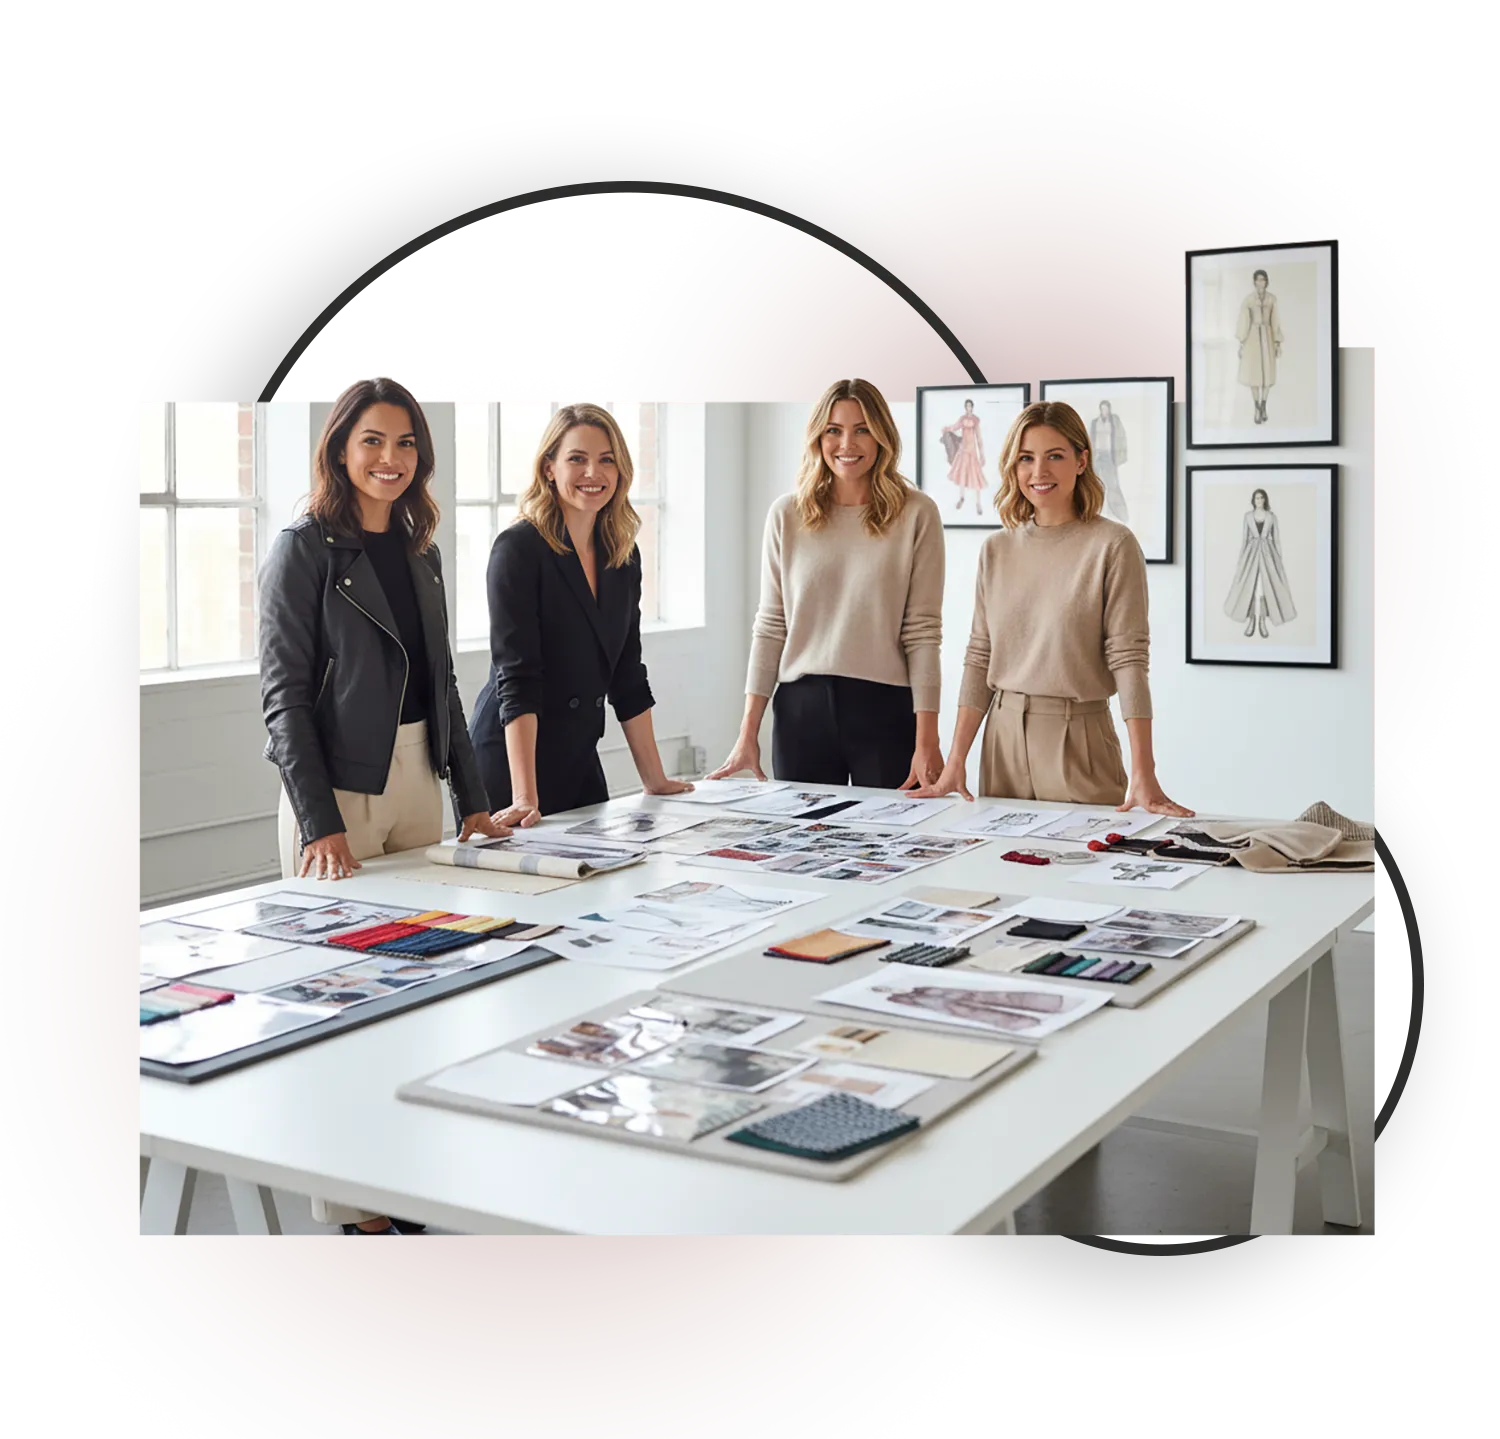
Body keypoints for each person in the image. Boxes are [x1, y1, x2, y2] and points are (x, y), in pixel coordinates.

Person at [259, 377, 504, 1235]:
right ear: (339, 448)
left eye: (405, 445)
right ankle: (355, 1212)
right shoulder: (303, 550)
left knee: (419, 991)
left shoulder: (422, 548)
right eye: (373, 442)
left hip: (415, 785)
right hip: (337, 790)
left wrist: (473, 801)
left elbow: (442, 682)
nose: (390, 460)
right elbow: (284, 698)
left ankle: (401, 1184)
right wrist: (319, 819)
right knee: (339, 1005)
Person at [912, 401, 1192, 817]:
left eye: (1054, 456)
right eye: (1026, 458)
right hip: (1002, 737)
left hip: (1078, 737)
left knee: (1081, 871)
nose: (1038, 472)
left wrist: (1143, 771)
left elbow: (1129, 659)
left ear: (1081, 461)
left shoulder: (1112, 546)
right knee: (1000, 874)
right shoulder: (997, 549)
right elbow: (980, 657)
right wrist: (957, 761)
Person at [709, 377, 945, 791]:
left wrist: (927, 738)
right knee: (801, 849)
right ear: (818, 437)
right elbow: (771, 626)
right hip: (802, 710)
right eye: (834, 430)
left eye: (862, 429)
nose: (847, 444)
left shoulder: (917, 514)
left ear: (882, 437)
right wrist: (748, 731)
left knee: (889, 848)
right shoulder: (787, 514)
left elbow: (923, 633)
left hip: (886, 707)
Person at [468, 404, 693, 826]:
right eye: (577, 459)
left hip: (578, 753)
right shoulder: (518, 550)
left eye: (606, 459)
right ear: (549, 467)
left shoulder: (623, 555)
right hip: (514, 761)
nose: (594, 472)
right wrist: (524, 796)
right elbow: (516, 678)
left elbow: (627, 675)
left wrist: (655, 780)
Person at [1224, 487, 1297, 638]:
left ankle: (1262, 621)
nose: (1259, 500)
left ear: (1265, 499)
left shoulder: (1271, 516)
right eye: (1256, 498)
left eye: (1261, 498)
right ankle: (1252, 620)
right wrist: (1241, 560)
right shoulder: (1247, 516)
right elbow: (1244, 539)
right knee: (1250, 587)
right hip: (1251, 555)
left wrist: (1279, 560)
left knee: (1264, 589)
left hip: (1267, 554)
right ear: (1253, 500)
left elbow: (1276, 538)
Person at [1237, 268, 1283, 425]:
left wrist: (1277, 342)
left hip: (1268, 338)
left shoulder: (1272, 299)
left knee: (1267, 374)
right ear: (1254, 282)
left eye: (1263, 279)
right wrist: (1242, 343)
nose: (1260, 282)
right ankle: (1256, 407)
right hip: (1252, 339)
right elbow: (1244, 322)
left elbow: (1275, 321)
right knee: (1254, 375)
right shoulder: (1249, 300)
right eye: (1258, 279)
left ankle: (1264, 404)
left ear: (1266, 281)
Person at [941, 397, 987, 515]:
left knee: (975, 475)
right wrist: (947, 428)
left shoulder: (975, 420)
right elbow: (955, 427)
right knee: (961, 473)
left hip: (972, 451)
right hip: (963, 449)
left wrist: (982, 454)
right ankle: (961, 497)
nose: (968, 408)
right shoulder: (962, 419)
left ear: (972, 407)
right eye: (966, 406)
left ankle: (978, 503)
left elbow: (979, 437)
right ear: (965, 408)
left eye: (970, 406)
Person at [1089, 400, 1129, 521]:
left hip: (1109, 456)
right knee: (1094, 484)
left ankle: (1120, 514)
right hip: (1097, 456)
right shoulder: (1095, 422)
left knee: (1113, 485)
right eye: (1102, 409)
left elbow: (1122, 438)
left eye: (1106, 409)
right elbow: (1090, 439)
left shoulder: (1115, 422)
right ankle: (1095, 512)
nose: (1104, 411)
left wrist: (1120, 456)